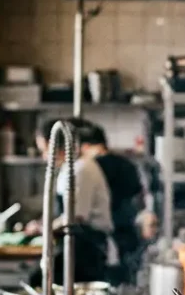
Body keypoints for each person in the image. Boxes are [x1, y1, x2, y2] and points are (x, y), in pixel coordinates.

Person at [29, 118, 117, 285]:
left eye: (44, 150)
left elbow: (75, 217)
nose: (44, 156)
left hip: (87, 248)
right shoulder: (70, 168)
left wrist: (42, 228)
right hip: (76, 245)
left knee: (40, 280)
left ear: (56, 146)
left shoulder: (82, 169)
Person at [76, 124, 147, 284]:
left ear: (85, 146)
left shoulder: (90, 168)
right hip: (129, 234)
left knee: (106, 285)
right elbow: (139, 197)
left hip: (101, 240)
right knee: (126, 285)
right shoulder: (127, 164)